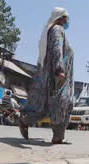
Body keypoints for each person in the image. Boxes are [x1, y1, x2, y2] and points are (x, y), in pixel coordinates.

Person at [19, 7, 74, 144]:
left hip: (55, 76)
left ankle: (56, 135)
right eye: (66, 18)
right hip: (57, 77)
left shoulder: (52, 30)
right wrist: (59, 69)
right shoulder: (57, 29)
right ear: (61, 18)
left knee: (52, 105)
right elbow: (56, 49)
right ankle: (56, 135)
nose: (68, 21)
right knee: (63, 103)